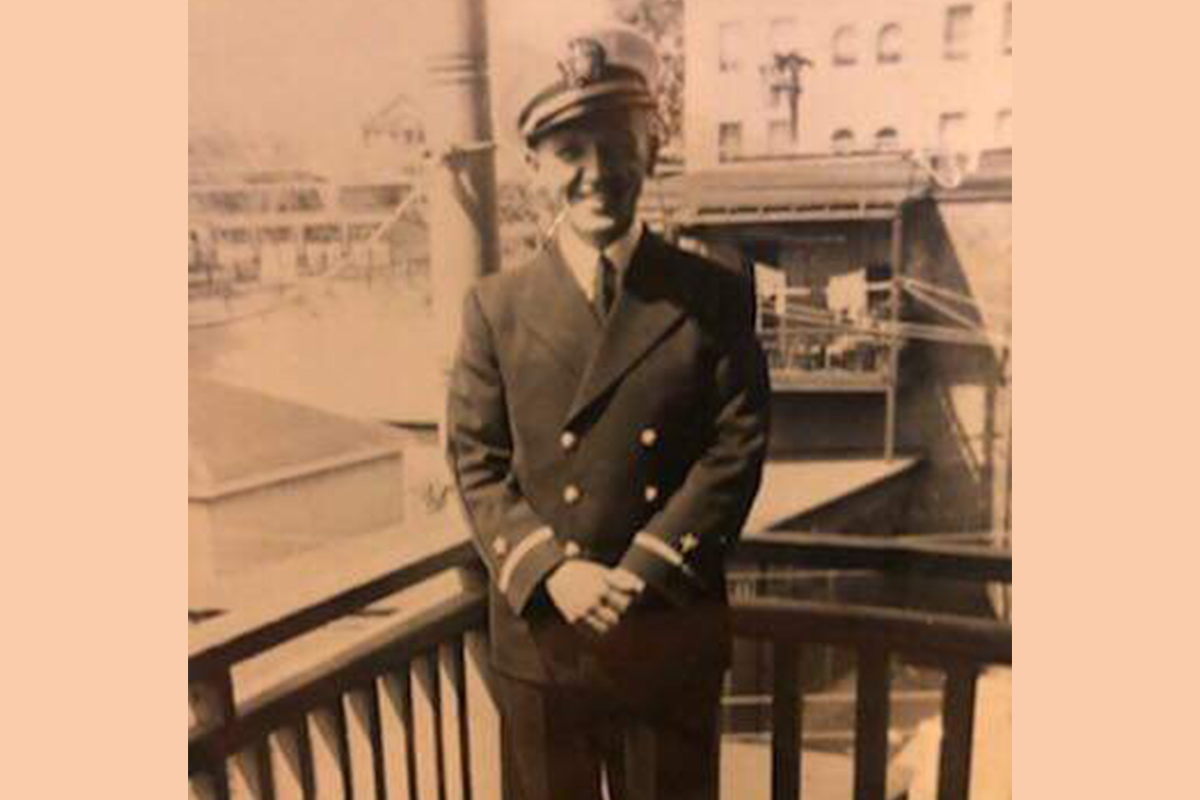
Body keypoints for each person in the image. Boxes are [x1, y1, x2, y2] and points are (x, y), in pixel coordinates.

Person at [445, 20, 771, 800]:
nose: (597, 174)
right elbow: (476, 462)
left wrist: (639, 571)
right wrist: (553, 572)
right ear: (534, 168)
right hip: (544, 642)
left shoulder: (713, 295)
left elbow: (737, 446)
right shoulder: (497, 308)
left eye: (617, 146)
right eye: (570, 153)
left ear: (651, 149)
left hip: (667, 626)